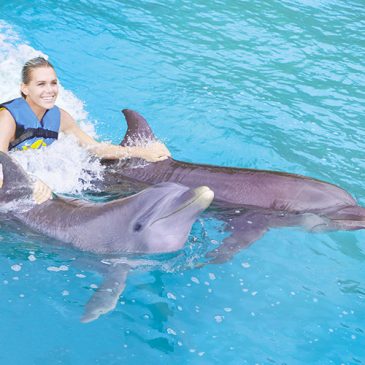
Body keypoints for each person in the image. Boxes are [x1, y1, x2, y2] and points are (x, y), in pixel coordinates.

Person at [0, 56, 171, 203]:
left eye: (53, 83)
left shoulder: (59, 117)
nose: (50, 90)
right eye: (41, 84)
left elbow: (95, 148)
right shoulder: (8, 118)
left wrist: (142, 152)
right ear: (25, 88)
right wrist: (29, 184)